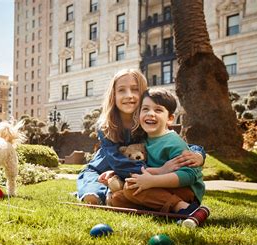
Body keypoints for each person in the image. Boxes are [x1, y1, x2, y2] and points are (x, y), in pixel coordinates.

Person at [77, 69, 205, 205]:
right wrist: (160, 171)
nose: (129, 95)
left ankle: (117, 191)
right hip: (102, 167)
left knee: (126, 192)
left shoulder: (148, 122)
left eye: (135, 90)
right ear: (113, 95)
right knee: (92, 197)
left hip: (133, 172)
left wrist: (198, 154)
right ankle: (104, 191)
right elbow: (119, 162)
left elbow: (173, 142)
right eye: (121, 90)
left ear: (144, 94)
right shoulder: (106, 127)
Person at [109, 88, 208, 226]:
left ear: (170, 119)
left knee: (131, 187)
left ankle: (185, 209)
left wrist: (152, 181)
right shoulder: (144, 141)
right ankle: (165, 209)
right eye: (145, 109)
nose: (150, 114)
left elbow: (189, 175)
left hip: (186, 192)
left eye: (158, 110)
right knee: (117, 199)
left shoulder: (173, 142)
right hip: (160, 189)